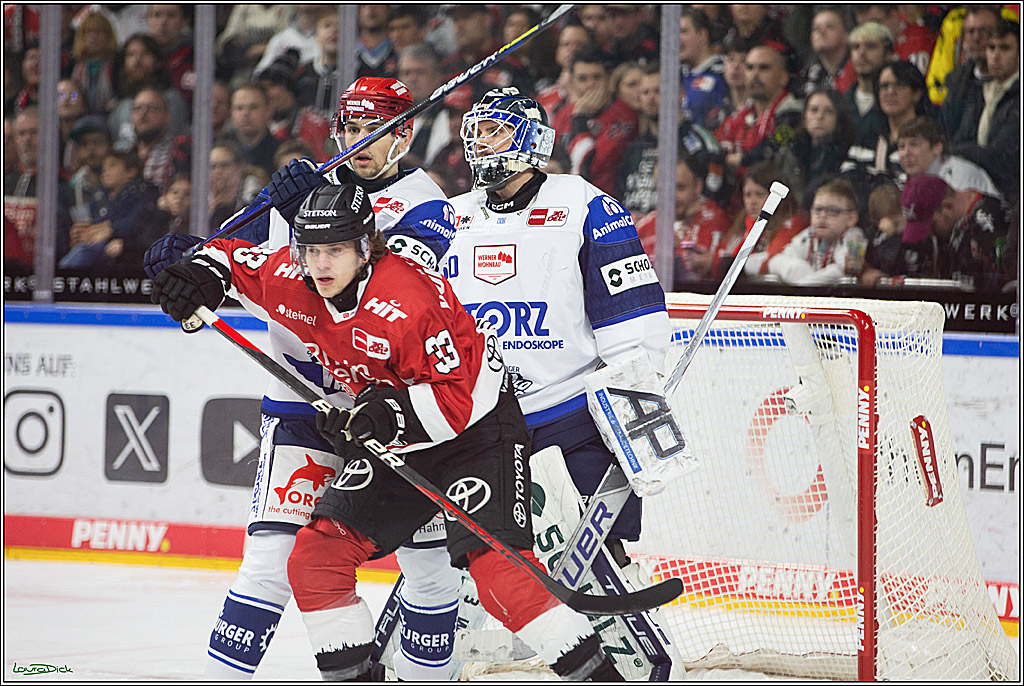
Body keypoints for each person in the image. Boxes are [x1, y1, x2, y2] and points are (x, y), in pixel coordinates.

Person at [151, 180, 623, 683]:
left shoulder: (409, 301)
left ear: (363, 247)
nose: (322, 264)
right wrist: (196, 276)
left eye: (335, 250)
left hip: (477, 434)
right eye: (311, 250)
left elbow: (455, 403)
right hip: (396, 436)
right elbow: (228, 259)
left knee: (500, 580)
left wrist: (380, 416)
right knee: (314, 559)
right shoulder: (294, 279)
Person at [145, 76, 464, 681]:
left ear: (406, 132)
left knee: (428, 566)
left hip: (394, 412)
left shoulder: (431, 206)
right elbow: (242, 261)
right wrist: (191, 269)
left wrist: (309, 220)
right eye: (346, 127)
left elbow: (379, 289)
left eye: (371, 128)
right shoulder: (308, 187)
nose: (356, 140)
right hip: (301, 402)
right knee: (268, 559)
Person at [446, 86, 671, 593]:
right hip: (483, 417)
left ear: (530, 139)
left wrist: (639, 398)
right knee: (473, 551)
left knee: (602, 547)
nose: (482, 144)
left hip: (572, 410)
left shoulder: (585, 204)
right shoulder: (450, 215)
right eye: (475, 133)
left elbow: (628, 312)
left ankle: (634, 646)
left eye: (494, 130)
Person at [945, 18, 1019, 204]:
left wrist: (952, 149)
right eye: (991, 48)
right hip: (978, 185)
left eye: (1004, 48)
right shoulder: (978, 91)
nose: (996, 55)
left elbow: (999, 158)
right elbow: (958, 133)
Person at [634, 149, 730, 286]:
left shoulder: (716, 221)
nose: (671, 196)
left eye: (680, 188)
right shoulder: (644, 227)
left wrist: (711, 264)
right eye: (663, 189)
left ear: (697, 186)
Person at [553, 44, 638, 196]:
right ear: (572, 81)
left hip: (604, 201)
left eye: (596, 77)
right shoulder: (563, 115)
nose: (590, 85)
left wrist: (580, 119)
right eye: (582, 79)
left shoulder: (624, 116)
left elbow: (591, 168)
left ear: (608, 78)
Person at [761, 178, 867, 285]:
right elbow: (776, 261)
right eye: (818, 210)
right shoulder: (808, 234)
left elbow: (843, 271)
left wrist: (803, 285)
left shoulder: (855, 237)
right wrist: (799, 272)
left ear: (851, 218)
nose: (822, 216)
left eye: (832, 211)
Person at [896, 116, 1000, 198]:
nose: (906, 153)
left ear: (937, 148)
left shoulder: (959, 175)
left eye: (914, 144)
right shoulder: (904, 180)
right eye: (901, 147)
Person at [678, 7, 727, 129]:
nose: (677, 39)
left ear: (702, 34)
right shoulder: (674, 75)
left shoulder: (724, 72)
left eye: (683, 31)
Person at [845, 22, 893, 141]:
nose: (861, 53)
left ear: (888, 54)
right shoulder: (841, 102)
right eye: (856, 47)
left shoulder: (896, 100)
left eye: (871, 46)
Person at [802, 8, 857, 96]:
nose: (821, 32)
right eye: (816, 28)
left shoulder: (857, 69)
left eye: (830, 27)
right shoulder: (809, 74)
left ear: (846, 35)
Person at [860, 182, 906, 286]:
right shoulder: (874, 235)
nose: (887, 227)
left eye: (895, 222)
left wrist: (892, 236)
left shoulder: (913, 241)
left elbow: (891, 265)